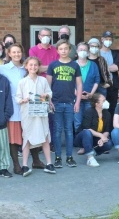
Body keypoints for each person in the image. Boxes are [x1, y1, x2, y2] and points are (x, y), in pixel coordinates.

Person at [16, 57, 55, 175]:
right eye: (31, 65)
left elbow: (49, 93)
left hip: (41, 112)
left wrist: (45, 96)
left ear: (38, 67)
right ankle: (25, 165)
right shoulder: (22, 82)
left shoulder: (43, 80)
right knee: (27, 137)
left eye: (35, 65)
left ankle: (49, 163)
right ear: (26, 66)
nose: (33, 67)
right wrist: (23, 100)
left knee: (45, 135)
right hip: (28, 114)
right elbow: (17, 98)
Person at [46, 40, 82, 168]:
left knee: (69, 131)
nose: (64, 51)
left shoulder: (75, 65)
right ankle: (57, 157)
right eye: (61, 49)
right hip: (56, 102)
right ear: (57, 50)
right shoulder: (53, 65)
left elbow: (79, 84)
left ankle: (69, 157)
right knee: (57, 131)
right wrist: (49, 101)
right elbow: (47, 85)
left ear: (69, 50)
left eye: (66, 48)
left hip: (70, 102)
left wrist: (77, 101)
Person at [0, 43, 28, 176]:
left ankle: (35, 161)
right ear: (9, 54)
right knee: (13, 138)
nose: (17, 54)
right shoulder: (2, 69)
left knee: (29, 134)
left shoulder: (26, 68)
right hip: (12, 107)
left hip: (27, 107)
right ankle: (16, 164)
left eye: (19, 52)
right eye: (14, 52)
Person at [75, 93, 113, 167]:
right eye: (103, 100)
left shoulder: (107, 113)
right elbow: (86, 128)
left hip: (96, 138)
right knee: (87, 132)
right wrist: (101, 135)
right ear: (97, 104)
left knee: (109, 144)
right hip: (83, 137)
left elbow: (107, 130)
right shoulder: (89, 111)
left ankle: (89, 151)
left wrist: (102, 139)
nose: (106, 102)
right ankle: (90, 158)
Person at [76, 42, 100, 134]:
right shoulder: (73, 64)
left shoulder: (93, 65)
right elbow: (70, 82)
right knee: (77, 121)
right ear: (77, 51)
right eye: (80, 50)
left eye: (85, 50)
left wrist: (91, 94)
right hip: (76, 99)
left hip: (89, 98)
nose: (82, 52)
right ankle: (78, 141)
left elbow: (97, 80)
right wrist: (77, 94)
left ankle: (88, 140)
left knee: (89, 121)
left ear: (88, 52)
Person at [99, 31, 119, 108]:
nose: (108, 41)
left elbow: (116, 68)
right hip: (100, 85)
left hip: (113, 86)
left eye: (110, 39)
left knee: (112, 108)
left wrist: (102, 67)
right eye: (106, 39)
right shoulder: (97, 53)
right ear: (102, 39)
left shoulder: (115, 54)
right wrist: (109, 67)